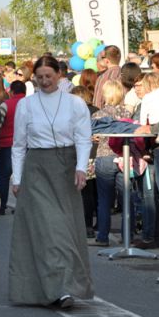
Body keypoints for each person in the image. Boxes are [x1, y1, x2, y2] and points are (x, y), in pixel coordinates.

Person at [9, 55, 93, 309]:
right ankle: (58, 289)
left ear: (59, 75)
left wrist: (80, 168)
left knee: (67, 230)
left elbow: (83, 138)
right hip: (37, 169)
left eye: (49, 76)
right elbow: (19, 144)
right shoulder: (26, 105)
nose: (44, 81)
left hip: (66, 168)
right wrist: (17, 176)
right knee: (47, 230)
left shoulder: (75, 104)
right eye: (39, 77)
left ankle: (65, 285)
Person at [89, 80, 133, 247]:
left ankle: (102, 237)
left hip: (105, 157)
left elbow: (91, 136)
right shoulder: (128, 113)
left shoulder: (99, 115)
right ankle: (127, 236)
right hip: (124, 157)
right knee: (126, 198)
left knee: (104, 200)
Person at [71, 86, 98, 238]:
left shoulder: (73, 112)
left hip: (77, 154)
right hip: (92, 154)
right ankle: (89, 224)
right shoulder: (96, 110)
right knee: (90, 192)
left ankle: (80, 224)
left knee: (78, 191)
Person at [0, 81, 26, 215]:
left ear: (11, 91)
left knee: (3, 177)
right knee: (25, 178)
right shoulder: (30, 104)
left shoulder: (5, 105)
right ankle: (23, 207)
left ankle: (1, 207)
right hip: (27, 145)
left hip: (7, 145)